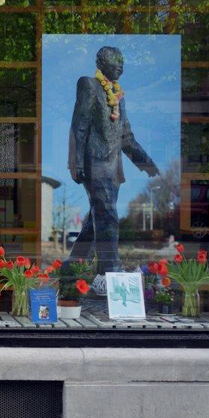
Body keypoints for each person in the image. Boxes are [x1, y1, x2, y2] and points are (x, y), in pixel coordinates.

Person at [66, 46, 159, 284]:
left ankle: (72, 267)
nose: (120, 64)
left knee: (97, 218)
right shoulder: (88, 84)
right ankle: (111, 271)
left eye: (122, 61)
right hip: (94, 164)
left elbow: (126, 137)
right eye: (116, 60)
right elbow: (79, 125)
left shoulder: (118, 96)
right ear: (101, 62)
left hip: (113, 168)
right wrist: (76, 163)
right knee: (107, 215)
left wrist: (147, 164)